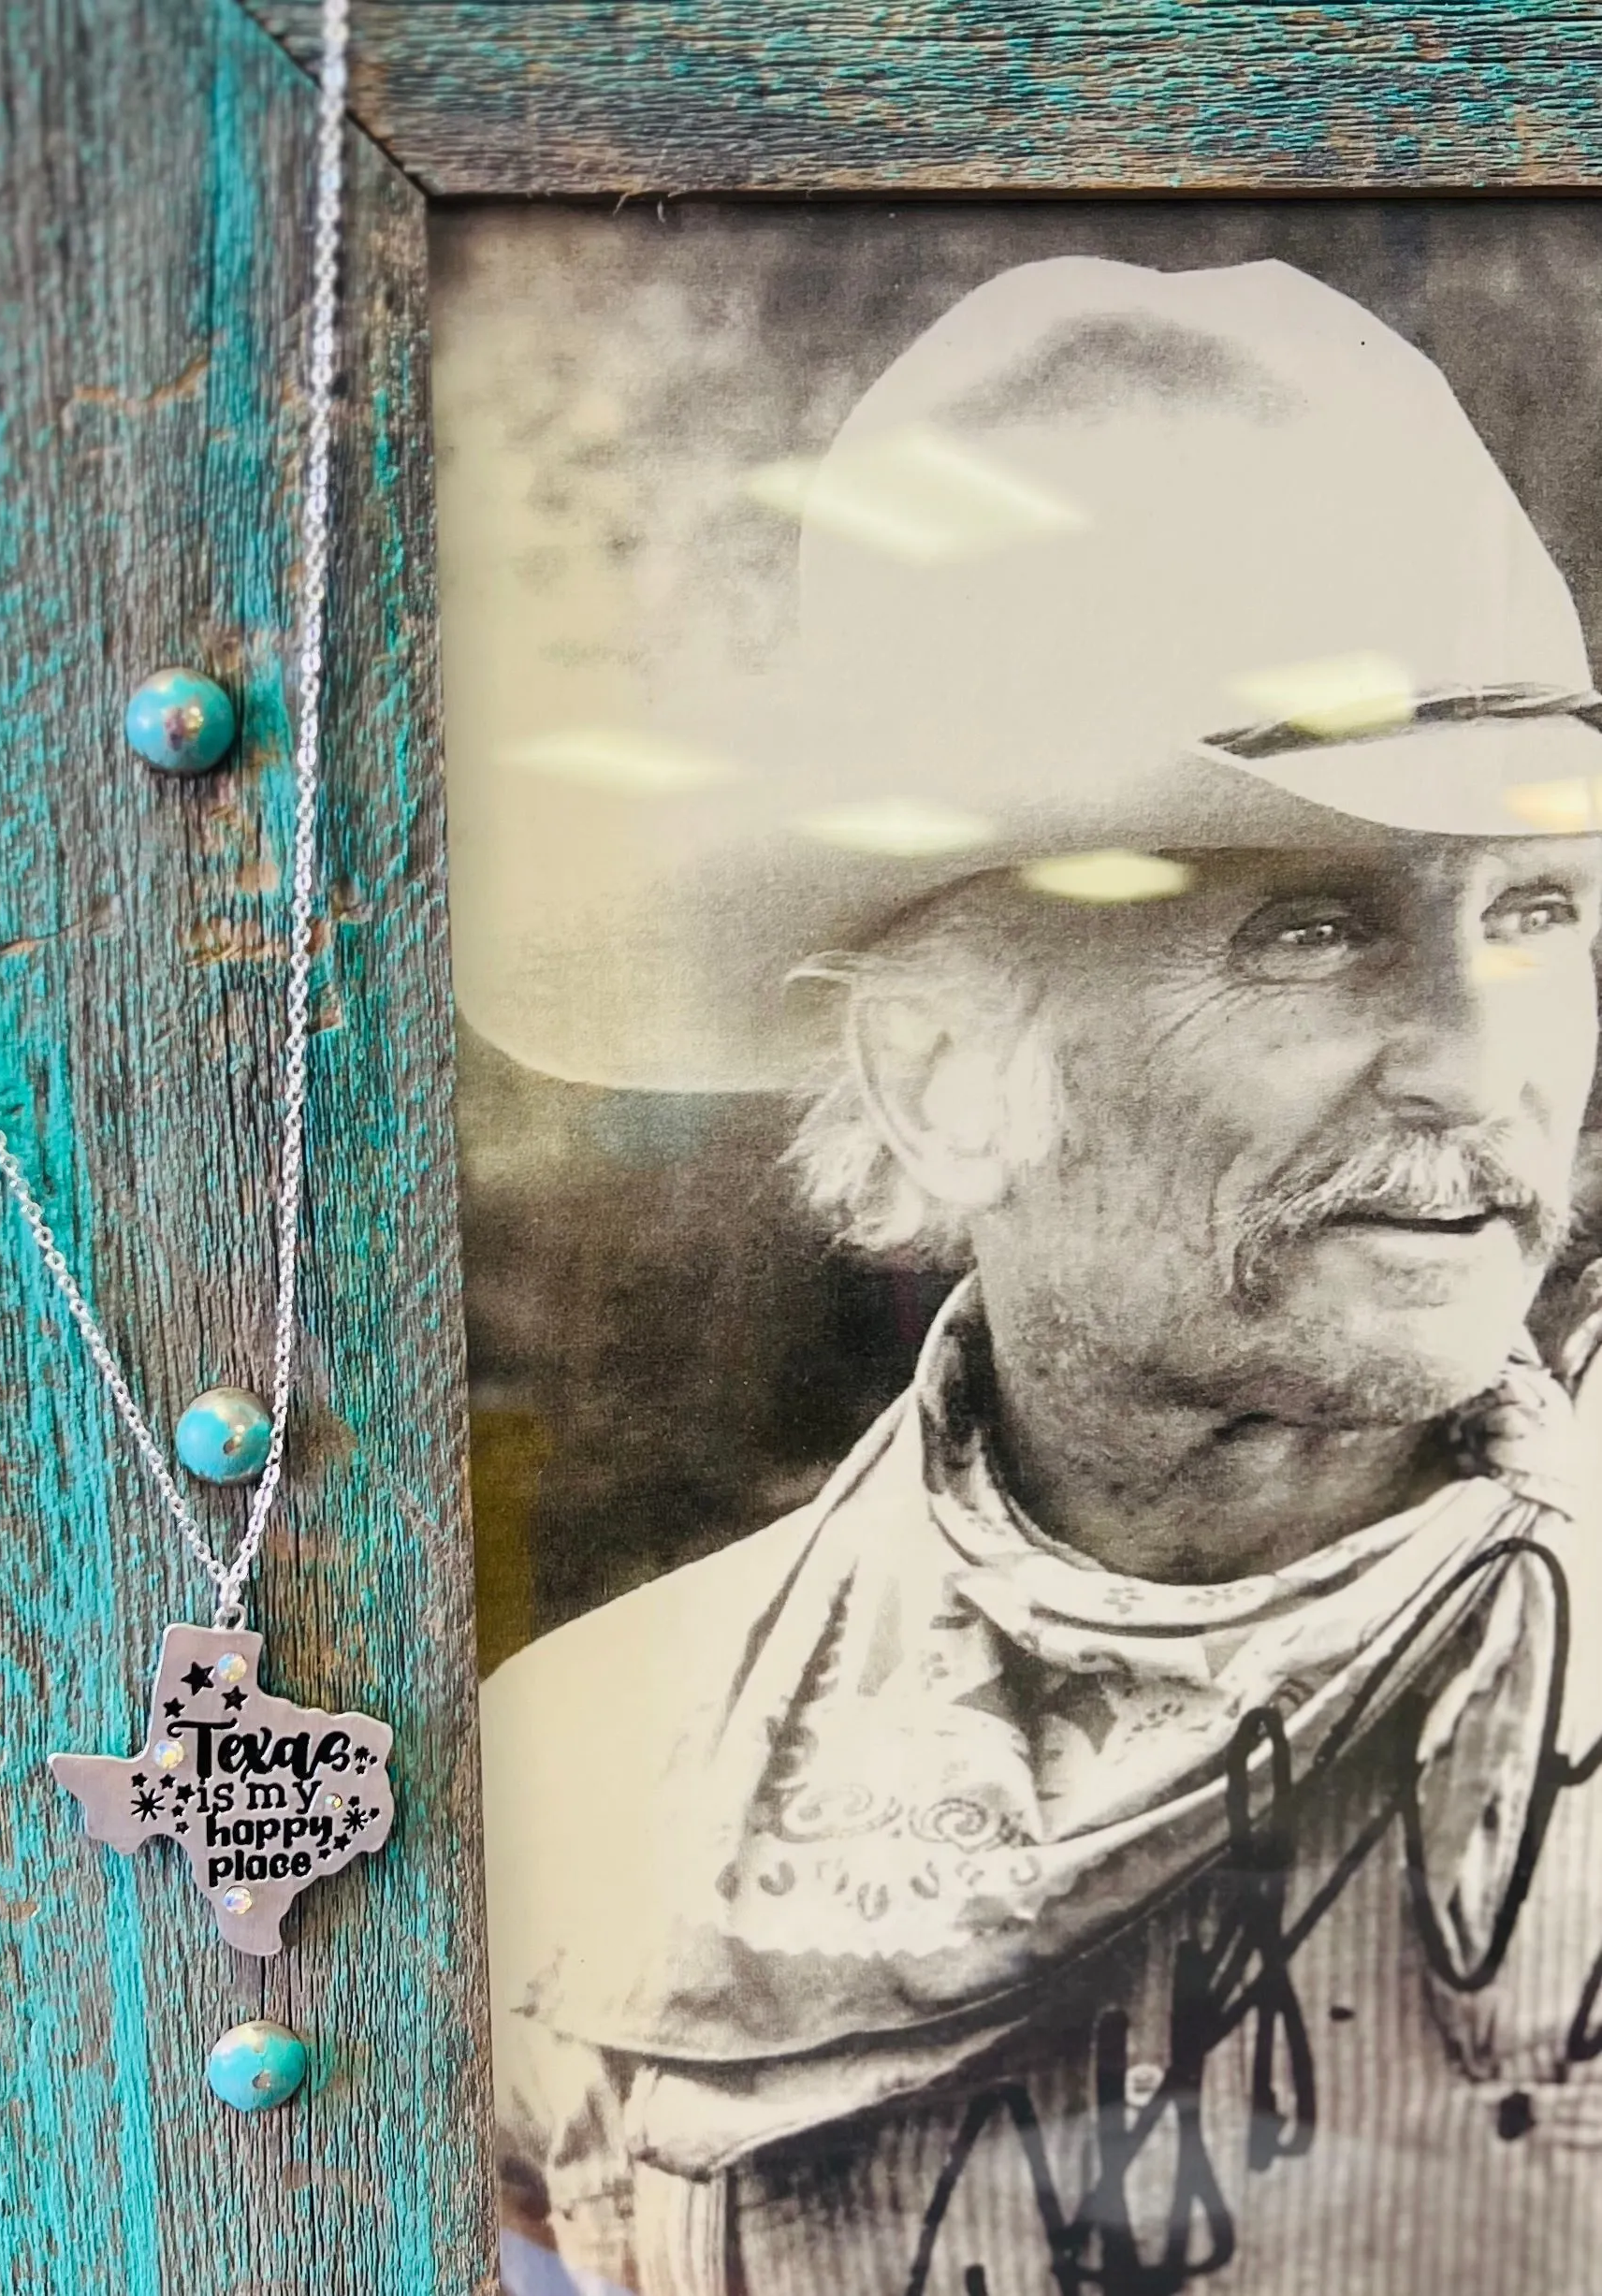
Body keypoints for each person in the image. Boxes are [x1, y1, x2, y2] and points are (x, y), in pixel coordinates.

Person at [474, 257, 1602, 2296]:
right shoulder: (581, 1802)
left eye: (1535, 907)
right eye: (1312, 930)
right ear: (948, 1071)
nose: (1474, 1049)